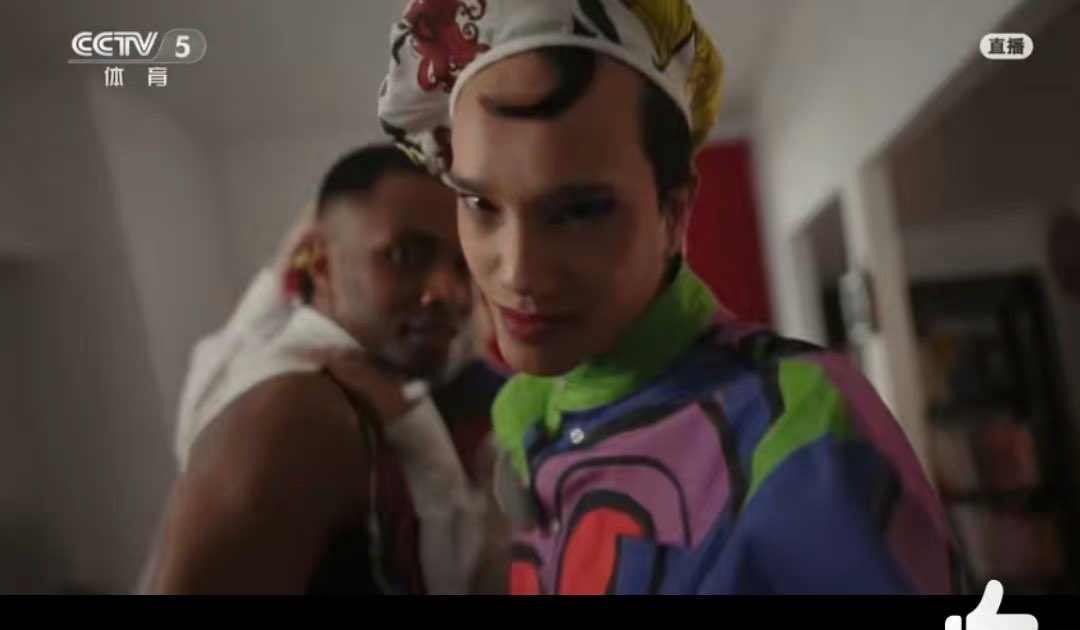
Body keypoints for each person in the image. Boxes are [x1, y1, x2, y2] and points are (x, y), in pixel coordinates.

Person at [377, 0, 961, 594]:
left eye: (580, 211)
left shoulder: (798, 426)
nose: (518, 270)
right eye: (481, 204)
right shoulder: (522, 415)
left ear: (674, 212)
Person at [142, 144, 505, 594]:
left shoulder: (370, 394)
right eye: (405, 255)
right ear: (317, 260)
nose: (448, 291)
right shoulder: (298, 410)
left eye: (464, 266)